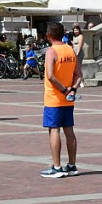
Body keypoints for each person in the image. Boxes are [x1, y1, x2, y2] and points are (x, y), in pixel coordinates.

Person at [40, 22, 81, 178]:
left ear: (48, 36)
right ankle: (71, 165)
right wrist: (73, 89)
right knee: (69, 130)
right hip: (68, 99)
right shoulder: (70, 50)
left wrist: (64, 90)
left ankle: (57, 167)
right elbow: (79, 74)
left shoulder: (51, 51)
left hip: (54, 98)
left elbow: (50, 75)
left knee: (54, 130)